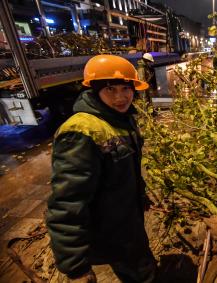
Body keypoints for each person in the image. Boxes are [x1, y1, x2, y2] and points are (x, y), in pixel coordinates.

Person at [46, 54, 156, 283]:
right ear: (94, 91)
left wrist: (139, 194)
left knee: (141, 270)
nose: (120, 97)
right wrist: (76, 267)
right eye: (111, 89)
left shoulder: (121, 118)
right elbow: (67, 203)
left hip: (126, 224)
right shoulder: (81, 131)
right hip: (109, 231)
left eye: (126, 89)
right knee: (142, 274)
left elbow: (127, 168)